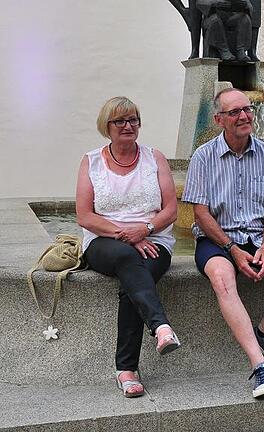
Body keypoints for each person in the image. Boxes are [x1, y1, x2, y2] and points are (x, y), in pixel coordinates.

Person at [182, 88, 264, 397]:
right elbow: (200, 212)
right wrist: (232, 249)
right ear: (219, 120)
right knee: (222, 275)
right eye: (235, 112)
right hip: (218, 241)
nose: (244, 116)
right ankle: (259, 364)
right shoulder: (203, 157)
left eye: (248, 109)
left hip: (258, 235)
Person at [76, 96, 180, 398]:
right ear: (106, 126)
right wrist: (127, 233)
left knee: (133, 277)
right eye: (120, 121)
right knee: (126, 257)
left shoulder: (155, 158)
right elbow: (85, 216)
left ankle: (127, 370)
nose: (128, 126)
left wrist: (145, 229)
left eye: (133, 119)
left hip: (155, 240)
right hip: (104, 241)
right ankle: (160, 327)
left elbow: (171, 210)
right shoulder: (91, 161)